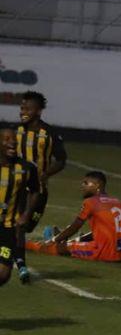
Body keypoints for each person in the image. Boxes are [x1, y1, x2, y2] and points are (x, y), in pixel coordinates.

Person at [15, 90, 67, 283]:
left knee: (27, 226)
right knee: (17, 225)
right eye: (22, 107)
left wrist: (45, 175)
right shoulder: (16, 131)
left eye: (27, 108)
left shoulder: (50, 134)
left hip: (39, 192)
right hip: (18, 189)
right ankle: (21, 266)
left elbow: (61, 160)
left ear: (38, 111)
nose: (23, 111)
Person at [26, 170, 121, 262]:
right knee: (75, 241)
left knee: (60, 247)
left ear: (97, 185)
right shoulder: (118, 202)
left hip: (104, 253)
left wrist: (53, 241)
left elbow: (75, 227)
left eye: (86, 183)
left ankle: (27, 245)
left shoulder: (91, 202)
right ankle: (63, 239)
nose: (82, 186)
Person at [0, 123, 40, 288]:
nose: (13, 143)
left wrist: (26, 214)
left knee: (3, 274)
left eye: (14, 139)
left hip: (8, 228)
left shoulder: (26, 168)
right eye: (7, 139)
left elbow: (36, 190)